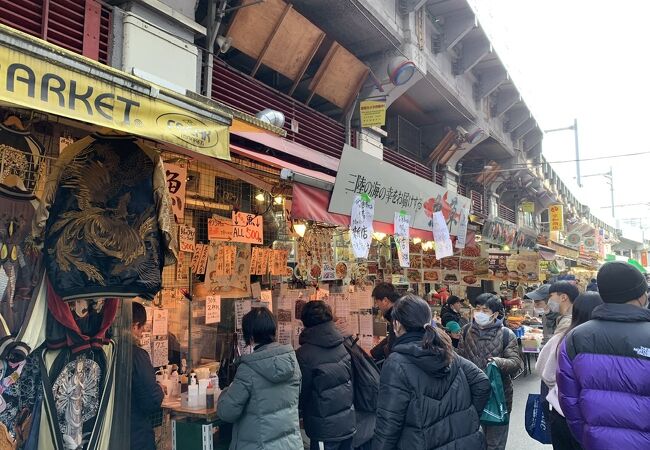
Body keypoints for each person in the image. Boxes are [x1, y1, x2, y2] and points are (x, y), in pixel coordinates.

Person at [373, 294, 491, 449]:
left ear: (396, 325)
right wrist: (467, 417)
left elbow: (388, 422)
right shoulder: (447, 352)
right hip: (466, 442)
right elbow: (482, 382)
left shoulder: (396, 363)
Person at [557, 262, 650, 449]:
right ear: (641, 296)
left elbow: (569, 400)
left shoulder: (575, 337)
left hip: (597, 442)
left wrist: (587, 437)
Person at [217, 307, 303, 450]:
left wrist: (225, 392)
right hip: (290, 444)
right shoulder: (292, 361)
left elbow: (227, 412)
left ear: (250, 337)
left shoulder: (248, 369)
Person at [535, 292, 603, 450]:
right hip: (594, 413)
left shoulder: (562, 337)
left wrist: (558, 387)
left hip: (562, 412)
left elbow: (543, 370)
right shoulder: (605, 339)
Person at [458, 293, 524, 450]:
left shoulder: (507, 335)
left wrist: (498, 362)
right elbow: (459, 359)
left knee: (495, 444)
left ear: (495, 314)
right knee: (472, 441)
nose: (479, 313)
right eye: (477, 309)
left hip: (498, 397)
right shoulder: (466, 331)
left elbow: (516, 363)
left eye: (485, 310)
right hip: (472, 396)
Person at [296, 301, 355, 450]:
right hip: (347, 423)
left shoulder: (304, 354)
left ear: (305, 322)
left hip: (324, 430)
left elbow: (302, 393)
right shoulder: (341, 345)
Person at [131, 301, 164, 450]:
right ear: (135, 325)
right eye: (142, 327)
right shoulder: (137, 356)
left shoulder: (106, 351)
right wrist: (160, 390)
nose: (142, 332)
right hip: (136, 435)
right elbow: (151, 399)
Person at [370, 283, 400, 363]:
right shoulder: (399, 311)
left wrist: (373, 354)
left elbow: (393, 343)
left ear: (385, 301)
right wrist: (373, 353)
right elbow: (391, 337)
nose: (377, 306)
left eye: (377, 302)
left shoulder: (398, 316)